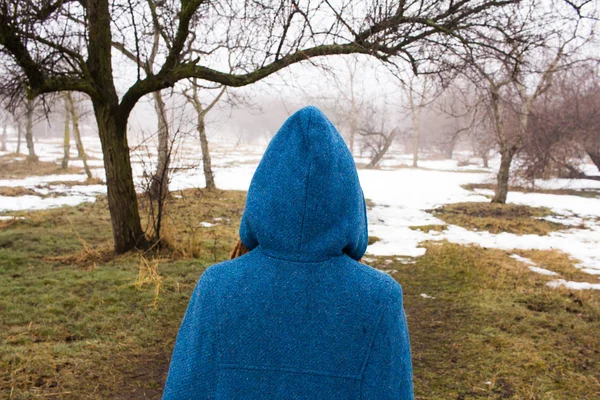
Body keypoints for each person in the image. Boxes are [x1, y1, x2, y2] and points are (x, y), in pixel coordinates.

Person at [162, 106, 414, 399]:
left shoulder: (217, 288)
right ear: (349, 200)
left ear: (263, 194)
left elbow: (184, 391)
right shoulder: (380, 298)